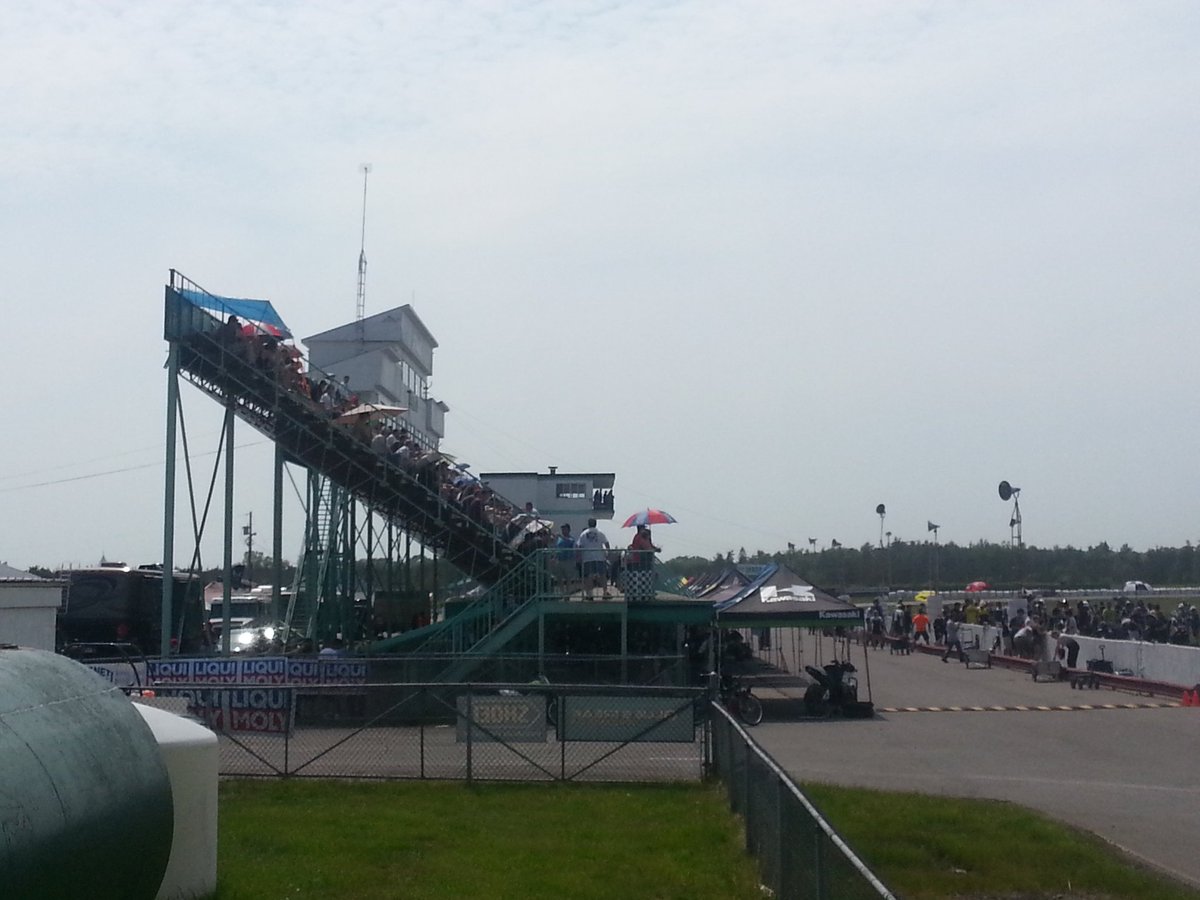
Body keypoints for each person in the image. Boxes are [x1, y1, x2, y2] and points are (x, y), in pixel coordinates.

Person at [575, 518, 610, 600]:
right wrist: (607, 553)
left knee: (589, 576)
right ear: (595, 524)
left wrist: (579, 556)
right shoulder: (600, 532)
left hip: (587, 557)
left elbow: (579, 546)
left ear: (588, 524)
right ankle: (605, 593)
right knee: (602, 575)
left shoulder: (583, 534)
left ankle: (590, 595)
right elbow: (606, 543)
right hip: (599, 557)